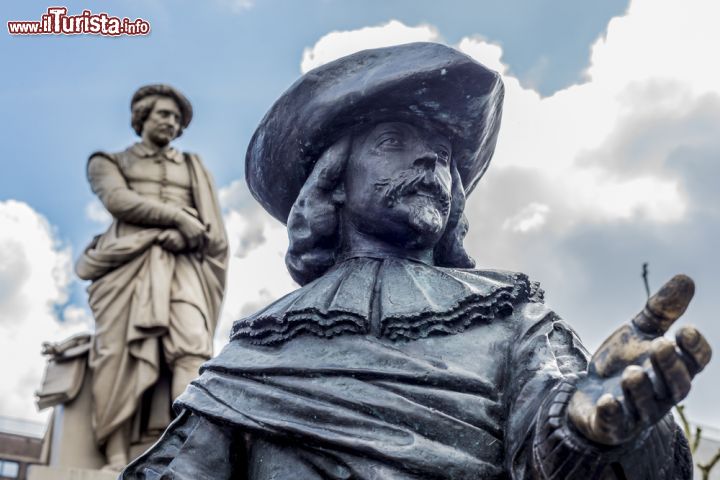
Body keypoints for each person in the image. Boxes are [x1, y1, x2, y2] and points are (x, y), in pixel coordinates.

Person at [122, 44, 711, 479]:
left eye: (444, 153)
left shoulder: (516, 321)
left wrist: (595, 429)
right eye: (394, 140)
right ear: (333, 181)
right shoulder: (256, 351)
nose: (431, 158)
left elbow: (563, 435)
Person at [76, 84, 228, 471]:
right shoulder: (108, 161)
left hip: (183, 265)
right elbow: (118, 201)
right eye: (163, 114)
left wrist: (187, 234)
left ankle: (184, 453)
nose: (171, 123)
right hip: (128, 265)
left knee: (193, 347)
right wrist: (176, 217)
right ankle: (114, 456)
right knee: (118, 354)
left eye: (177, 119)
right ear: (142, 116)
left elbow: (211, 228)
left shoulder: (194, 167)